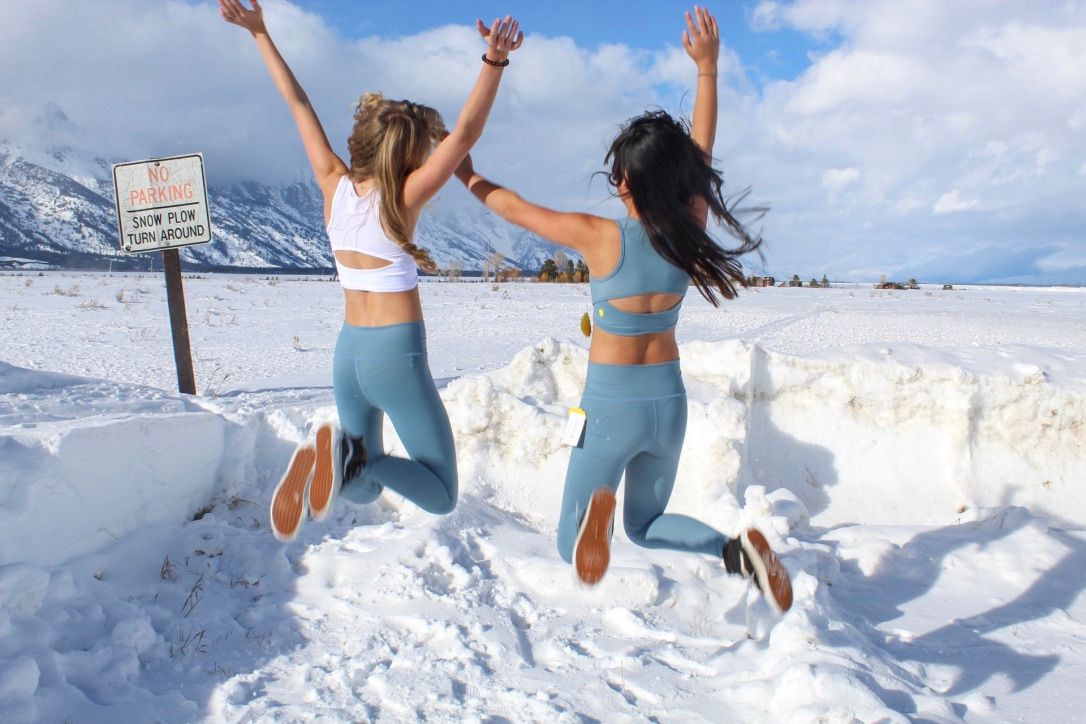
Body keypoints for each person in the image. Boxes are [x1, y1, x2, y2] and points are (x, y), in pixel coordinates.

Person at [454, 6, 792, 612]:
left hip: (611, 405)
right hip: (668, 402)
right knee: (648, 524)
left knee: (571, 543)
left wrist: (464, 172)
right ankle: (734, 551)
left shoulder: (599, 237)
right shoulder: (688, 227)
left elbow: (511, 208)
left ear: (627, 182)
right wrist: (708, 69)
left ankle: (595, 514)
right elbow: (702, 155)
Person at [218, 0, 524, 541]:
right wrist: (493, 62)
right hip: (395, 356)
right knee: (440, 491)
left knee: (364, 487)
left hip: (348, 354)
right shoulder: (403, 197)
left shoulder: (331, 182)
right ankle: (344, 459)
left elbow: (297, 103)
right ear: (410, 155)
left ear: (359, 143)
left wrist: (259, 33)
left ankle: (340, 458)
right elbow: (466, 136)